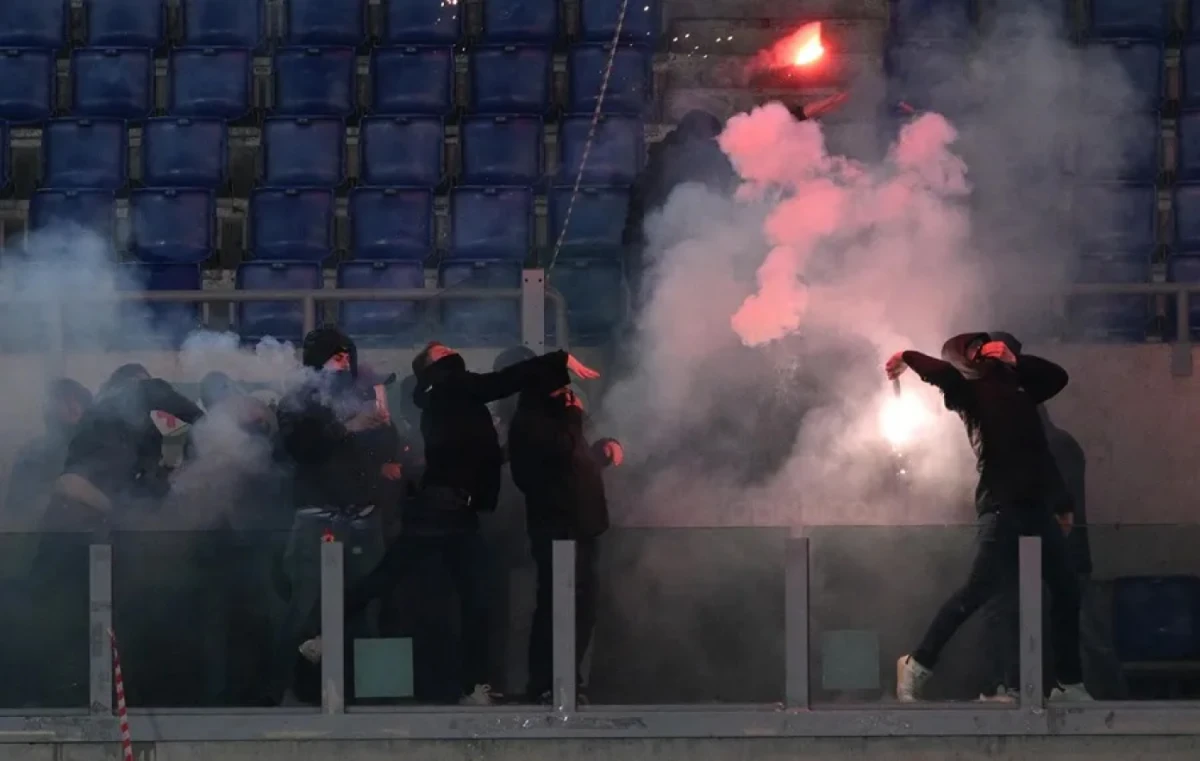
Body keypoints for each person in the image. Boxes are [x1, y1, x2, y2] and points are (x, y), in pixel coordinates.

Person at [300, 343, 599, 705]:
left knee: (412, 581)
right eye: (441, 350)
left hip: (447, 508)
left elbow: (474, 449)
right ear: (433, 365)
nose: (451, 349)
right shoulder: (450, 385)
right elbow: (502, 382)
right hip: (447, 509)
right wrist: (558, 360)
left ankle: (325, 636)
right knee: (465, 594)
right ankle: (470, 685)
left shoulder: (443, 397)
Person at [885, 332, 1092, 702]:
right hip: (1002, 506)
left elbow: (1057, 379)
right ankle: (918, 662)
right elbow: (941, 372)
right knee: (977, 592)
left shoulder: (1022, 391)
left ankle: (1069, 685)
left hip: (1034, 508)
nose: (986, 349)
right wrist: (906, 354)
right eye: (976, 348)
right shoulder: (968, 393)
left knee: (1066, 588)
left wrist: (1015, 362)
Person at [266, 326, 396, 705]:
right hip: (317, 518)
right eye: (335, 357)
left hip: (363, 518)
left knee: (366, 608)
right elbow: (301, 448)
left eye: (347, 356)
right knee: (305, 610)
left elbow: (385, 446)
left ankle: (369, 695)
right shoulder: (297, 398)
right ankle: (288, 693)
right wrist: (347, 428)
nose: (344, 364)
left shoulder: (362, 394)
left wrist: (383, 436)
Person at [508, 382, 623, 703]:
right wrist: (573, 418)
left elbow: (580, 461)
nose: (569, 394)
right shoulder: (531, 425)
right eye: (560, 388)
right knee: (556, 607)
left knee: (583, 608)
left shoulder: (566, 423)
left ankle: (570, 679)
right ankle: (546, 682)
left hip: (583, 526)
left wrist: (603, 448)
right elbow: (560, 458)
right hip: (556, 528)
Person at [4, 378, 92, 522]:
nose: (73, 407)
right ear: (51, 408)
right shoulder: (33, 453)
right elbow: (17, 509)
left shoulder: (100, 450)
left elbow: (119, 507)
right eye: (65, 401)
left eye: (78, 400)